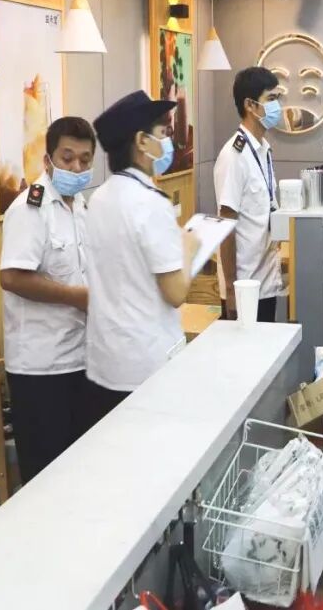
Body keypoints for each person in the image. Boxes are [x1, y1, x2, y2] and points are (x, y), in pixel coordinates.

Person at [84, 91, 201, 430]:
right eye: (162, 134)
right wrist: (189, 248)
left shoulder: (99, 198)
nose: (167, 143)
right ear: (141, 141)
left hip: (106, 361)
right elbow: (175, 292)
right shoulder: (150, 203)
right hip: (148, 363)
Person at [0, 116, 95, 483]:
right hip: (40, 369)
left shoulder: (81, 206)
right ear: (48, 160)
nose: (77, 168)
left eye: (85, 160)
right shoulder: (31, 208)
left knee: (79, 474)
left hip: (80, 358)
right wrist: (76, 298)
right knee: (45, 480)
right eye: (67, 158)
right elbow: (11, 277)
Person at [214, 67, 285, 321]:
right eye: (271, 99)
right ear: (250, 105)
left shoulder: (263, 149)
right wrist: (231, 289)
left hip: (266, 280)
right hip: (244, 288)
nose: (277, 106)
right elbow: (226, 225)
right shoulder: (234, 155)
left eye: (278, 98)